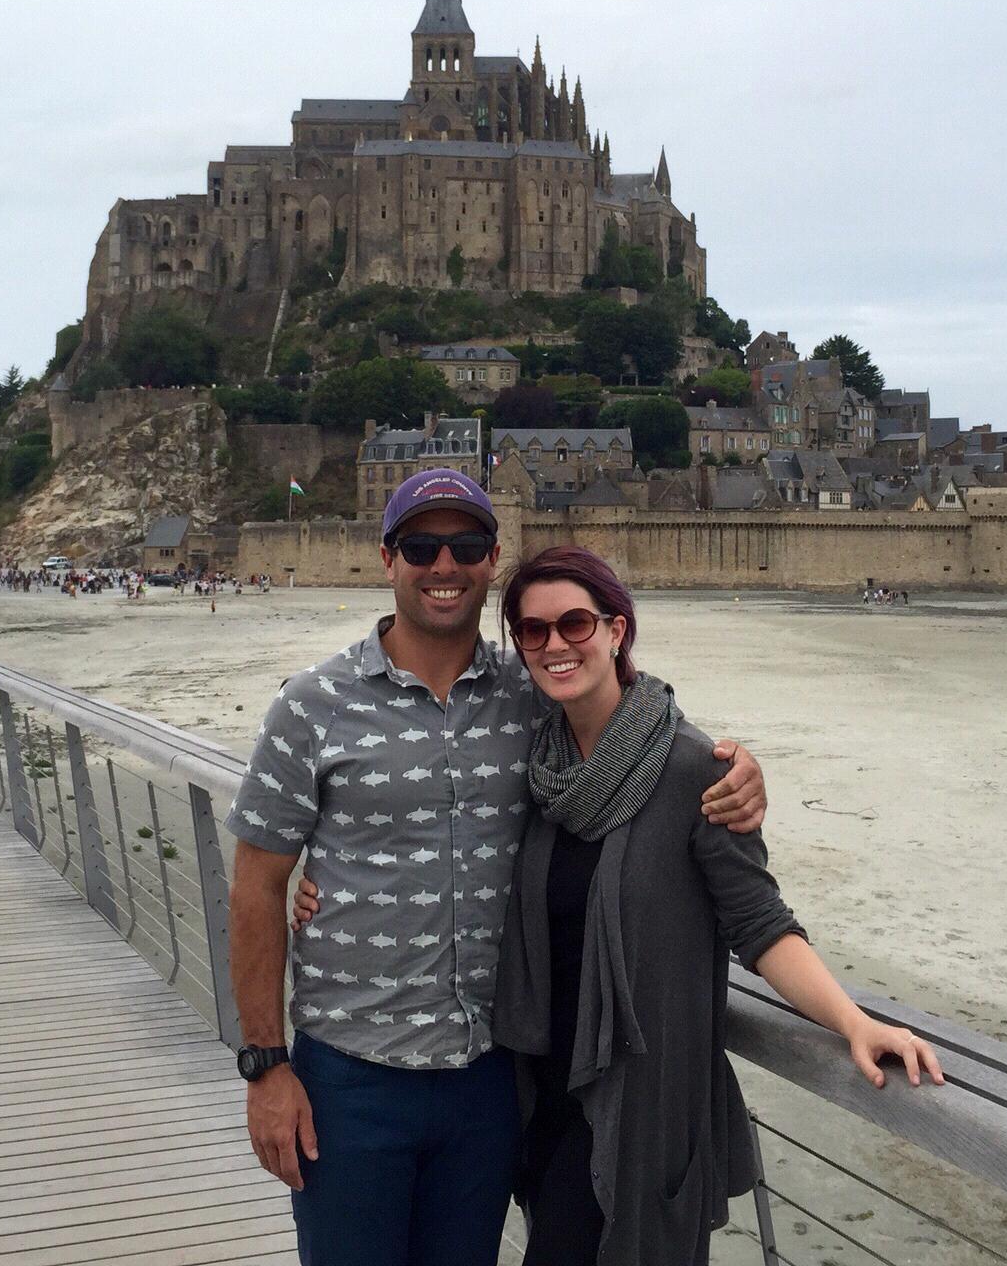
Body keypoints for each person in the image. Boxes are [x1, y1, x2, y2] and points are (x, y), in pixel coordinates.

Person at [224, 470, 767, 1266]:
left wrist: (734, 765)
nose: (444, 564)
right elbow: (256, 888)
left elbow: (630, 716)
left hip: (488, 1081)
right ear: (387, 558)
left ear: (491, 558)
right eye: (422, 545)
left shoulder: (531, 696)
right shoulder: (312, 704)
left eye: (467, 545)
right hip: (349, 1080)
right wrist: (266, 1070)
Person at [486, 546, 941, 1265]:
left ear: (616, 630)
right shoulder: (536, 768)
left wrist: (856, 1021)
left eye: (574, 623)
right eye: (532, 631)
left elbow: (759, 925)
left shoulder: (699, 771)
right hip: (537, 1096)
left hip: (638, 1108)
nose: (554, 645)